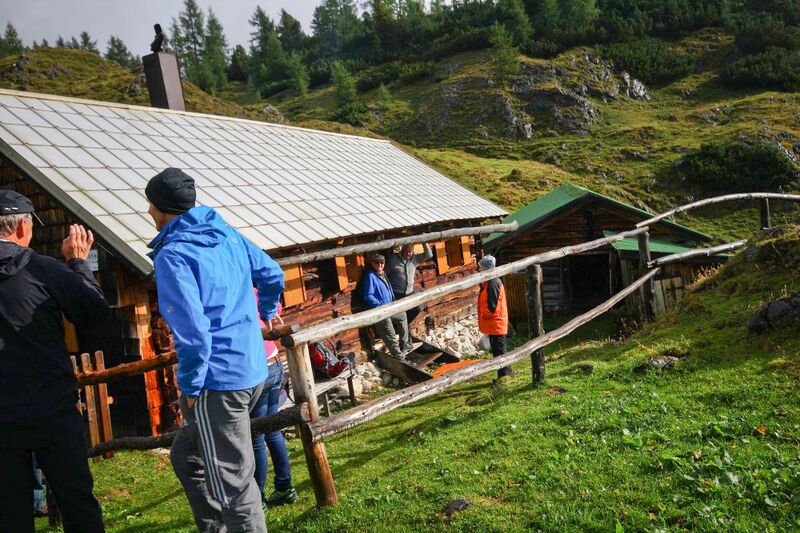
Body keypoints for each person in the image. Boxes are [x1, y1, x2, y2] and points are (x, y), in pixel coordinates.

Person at [145, 168, 284, 533]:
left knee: (235, 488)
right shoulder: (226, 234)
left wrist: (190, 388)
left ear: (161, 207)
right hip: (253, 370)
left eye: (150, 204)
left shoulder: (173, 255)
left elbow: (194, 336)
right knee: (186, 454)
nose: (147, 211)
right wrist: (266, 313)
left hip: (216, 384)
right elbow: (272, 274)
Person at [0, 189, 109, 533]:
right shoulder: (44, 269)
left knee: (10, 512)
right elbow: (94, 311)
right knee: (77, 502)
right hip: (52, 409)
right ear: (21, 228)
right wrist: (78, 263)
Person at [250, 297, 298, 507]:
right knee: (272, 430)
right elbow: (276, 307)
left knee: (257, 435)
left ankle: (257, 498)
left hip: (258, 368)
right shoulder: (255, 290)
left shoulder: (233, 291)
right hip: (275, 363)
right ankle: (284, 488)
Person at [361, 253, 410, 359]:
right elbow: (368, 296)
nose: (380, 264)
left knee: (402, 316)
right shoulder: (370, 276)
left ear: (384, 263)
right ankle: (398, 356)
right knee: (389, 331)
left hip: (389, 307)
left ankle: (404, 345)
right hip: (379, 310)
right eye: (377, 262)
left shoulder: (382, 273)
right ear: (372, 263)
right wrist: (379, 305)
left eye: (382, 262)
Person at [477, 255, 511, 379]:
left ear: (486, 268)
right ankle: (504, 376)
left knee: (500, 352)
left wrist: (483, 315)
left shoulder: (492, 283)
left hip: (496, 322)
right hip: (494, 323)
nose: (479, 270)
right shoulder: (488, 283)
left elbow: (492, 307)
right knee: (498, 351)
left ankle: (505, 377)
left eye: (480, 268)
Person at [386, 243, 433, 331]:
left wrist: (424, 242)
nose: (409, 254)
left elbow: (429, 254)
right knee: (398, 314)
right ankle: (400, 329)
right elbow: (384, 274)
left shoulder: (414, 258)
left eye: (411, 252)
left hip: (409, 292)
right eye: (407, 252)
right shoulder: (393, 259)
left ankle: (403, 327)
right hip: (396, 293)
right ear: (402, 250)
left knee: (417, 308)